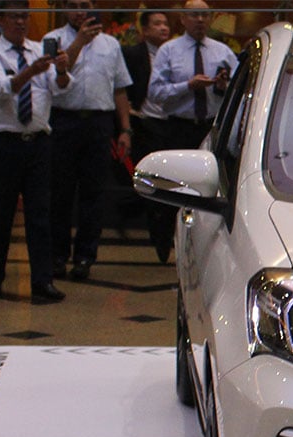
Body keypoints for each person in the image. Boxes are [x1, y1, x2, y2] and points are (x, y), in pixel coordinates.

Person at [0, 0, 71, 302]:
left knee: (40, 214)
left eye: (25, 17)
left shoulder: (39, 50)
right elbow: (0, 89)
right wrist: (31, 71)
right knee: (0, 212)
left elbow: (60, 89)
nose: (21, 22)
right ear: (1, 19)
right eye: (15, 17)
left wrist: (61, 71)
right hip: (3, 142)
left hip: (38, 142)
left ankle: (42, 280)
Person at [44, 0, 133, 281]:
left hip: (99, 122)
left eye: (85, 4)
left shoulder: (111, 44)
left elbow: (120, 89)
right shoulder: (53, 39)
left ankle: (85, 257)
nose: (79, 11)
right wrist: (79, 42)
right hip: (63, 120)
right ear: (64, 9)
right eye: (73, 5)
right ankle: (57, 255)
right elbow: (54, 79)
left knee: (93, 193)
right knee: (60, 192)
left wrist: (125, 129)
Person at [148, 0, 237, 152]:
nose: (200, 20)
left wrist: (224, 87)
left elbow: (240, 91)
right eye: (194, 15)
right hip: (179, 129)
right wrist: (188, 86)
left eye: (205, 15)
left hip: (213, 127)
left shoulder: (223, 52)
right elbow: (155, 93)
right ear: (183, 19)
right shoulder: (168, 50)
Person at [121, 9, 174, 262]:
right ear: (144, 29)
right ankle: (153, 225)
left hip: (173, 123)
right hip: (145, 122)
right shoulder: (133, 54)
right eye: (157, 24)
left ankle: (165, 232)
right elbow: (124, 87)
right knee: (150, 178)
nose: (163, 28)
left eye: (165, 23)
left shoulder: (175, 52)